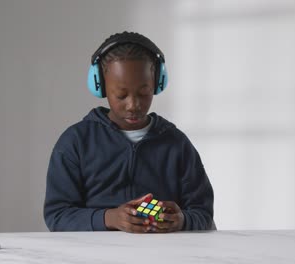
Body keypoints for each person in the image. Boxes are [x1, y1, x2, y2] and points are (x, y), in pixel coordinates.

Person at [43, 31, 214, 233]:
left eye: (144, 93)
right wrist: (110, 218)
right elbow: (57, 215)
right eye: (121, 95)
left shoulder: (177, 144)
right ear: (100, 86)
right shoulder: (75, 142)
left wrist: (182, 220)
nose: (133, 105)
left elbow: (203, 214)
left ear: (158, 84)